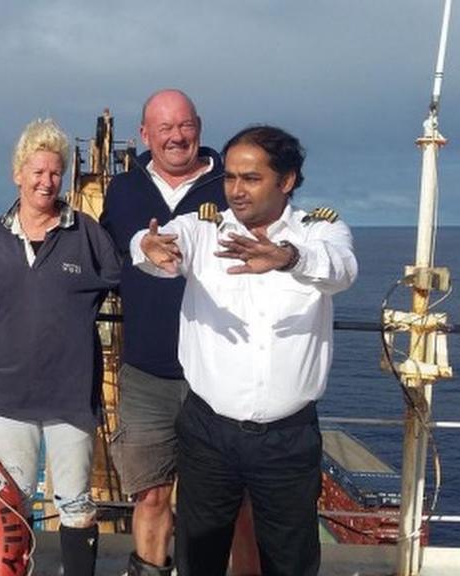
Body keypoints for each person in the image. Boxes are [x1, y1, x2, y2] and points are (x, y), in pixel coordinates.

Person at [133, 125, 358, 575]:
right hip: (208, 435)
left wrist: (288, 258)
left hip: (287, 439)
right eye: (231, 177)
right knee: (199, 556)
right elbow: (159, 245)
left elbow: (343, 271)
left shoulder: (320, 232)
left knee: (290, 560)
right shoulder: (204, 227)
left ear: (287, 180)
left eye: (251, 178)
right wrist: (147, 246)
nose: (236, 190)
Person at [0, 119, 120, 576]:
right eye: (38, 171)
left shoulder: (85, 233)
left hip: (70, 396)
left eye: (55, 172)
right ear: (18, 174)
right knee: (14, 496)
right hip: (7, 396)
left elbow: (123, 279)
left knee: (75, 500)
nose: (46, 182)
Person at [100, 89, 234, 575]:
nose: (176, 137)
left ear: (199, 125)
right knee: (151, 493)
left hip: (216, 374)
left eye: (185, 126)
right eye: (165, 128)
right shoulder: (123, 190)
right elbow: (113, 245)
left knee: (215, 497)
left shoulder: (230, 184)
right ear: (145, 135)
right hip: (146, 372)